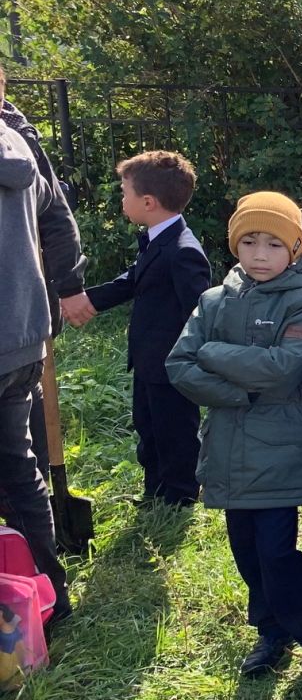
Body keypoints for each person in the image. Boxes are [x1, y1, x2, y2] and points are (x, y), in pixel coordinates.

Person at [165, 192, 302, 678]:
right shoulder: (214, 300)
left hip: (280, 446)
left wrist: (214, 353)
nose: (260, 254)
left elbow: (282, 368)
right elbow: (178, 363)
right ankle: (270, 630)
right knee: (245, 548)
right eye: (249, 242)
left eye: (273, 244)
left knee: (276, 551)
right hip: (228, 443)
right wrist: (239, 394)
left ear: (295, 248)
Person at [76, 150, 211, 507]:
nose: (122, 200)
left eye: (125, 193)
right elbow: (133, 280)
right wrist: (87, 300)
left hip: (172, 363)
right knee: (148, 425)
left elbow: (199, 310)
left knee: (175, 429)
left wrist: (192, 357)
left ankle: (180, 494)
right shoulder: (159, 238)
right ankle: (155, 490)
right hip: (150, 360)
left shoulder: (182, 250)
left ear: (149, 202)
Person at [0, 121, 81, 619]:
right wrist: (67, 284)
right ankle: (49, 597)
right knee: (19, 468)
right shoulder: (16, 139)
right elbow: (57, 216)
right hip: (24, 335)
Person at [2, 66, 89, 496]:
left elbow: (54, 215)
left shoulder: (20, 136)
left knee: (19, 438)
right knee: (17, 450)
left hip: (19, 316)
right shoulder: (17, 137)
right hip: (25, 318)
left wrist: (70, 285)